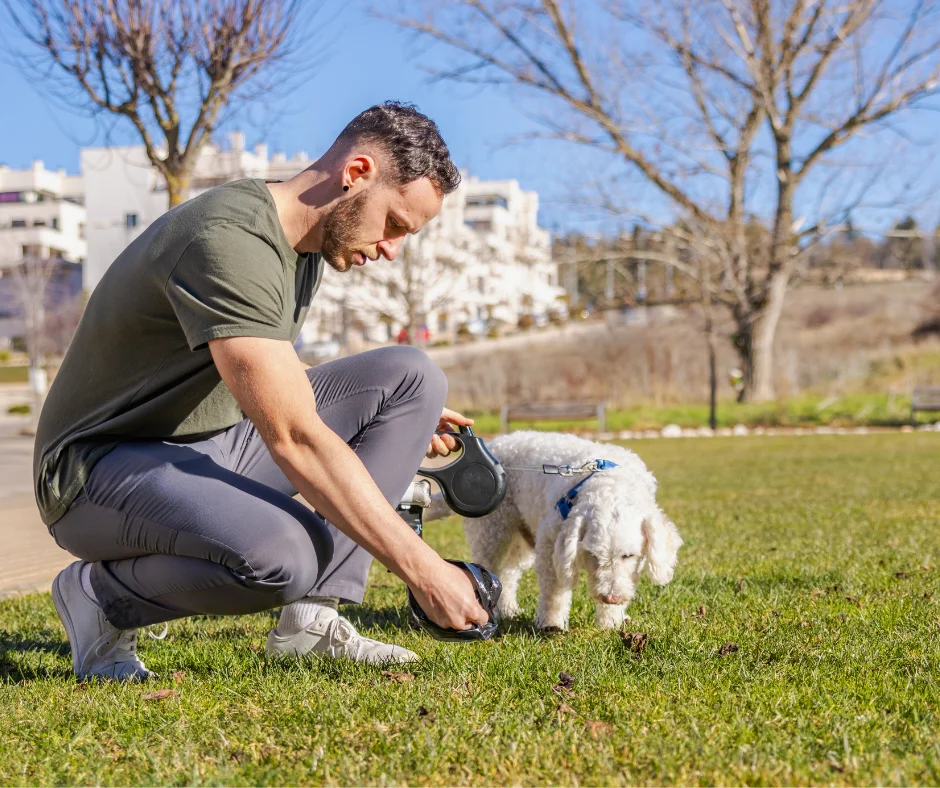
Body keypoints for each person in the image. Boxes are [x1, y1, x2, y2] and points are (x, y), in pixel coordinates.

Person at [34, 101, 489, 681]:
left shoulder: (304, 246)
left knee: (409, 381)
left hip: (202, 445)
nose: (391, 249)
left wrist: (395, 420)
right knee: (283, 557)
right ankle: (100, 596)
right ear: (356, 174)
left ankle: (310, 624)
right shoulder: (229, 240)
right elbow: (294, 436)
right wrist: (425, 570)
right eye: (395, 224)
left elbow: (269, 382)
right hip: (93, 471)